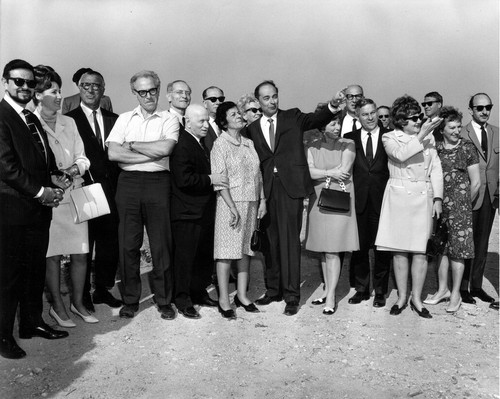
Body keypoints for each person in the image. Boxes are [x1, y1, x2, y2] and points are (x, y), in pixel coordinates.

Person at [247, 80, 344, 316]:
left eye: (274, 96)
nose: (272, 101)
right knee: (270, 243)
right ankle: (273, 290)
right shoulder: (252, 128)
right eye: (266, 98)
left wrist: (332, 105)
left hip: (291, 188)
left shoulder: (293, 117)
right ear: (258, 101)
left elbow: (316, 120)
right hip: (266, 191)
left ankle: (292, 296)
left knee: (290, 242)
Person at [0, 59, 67, 359]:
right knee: (9, 275)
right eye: (19, 82)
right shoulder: (1, 116)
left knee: (34, 270)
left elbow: (43, 156)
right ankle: (3, 337)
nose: (25, 87)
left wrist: (55, 176)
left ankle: (31, 323)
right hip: (11, 211)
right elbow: (6, 166)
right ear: (5, 82)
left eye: (30, 83)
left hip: (38, 211)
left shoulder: (32, 117)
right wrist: (42, 192)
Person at [107, 70, 179, 320]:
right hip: (128, 184)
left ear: (159, 90)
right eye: (142, 91)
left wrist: (133, 145)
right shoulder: (124, 119)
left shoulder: (169, 119)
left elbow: (166, 148)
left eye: (152, 90)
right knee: (128, 244)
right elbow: (114, 154)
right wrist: (152, 153)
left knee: (161, 245)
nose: (148, 96)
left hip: (158, 183)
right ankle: (130, 300)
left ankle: (164, 300)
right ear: (134, 93)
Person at [33, 65, 96, 326]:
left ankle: (78, 302)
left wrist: (71, 170)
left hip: (75, 195)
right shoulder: (29, 121)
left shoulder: (69, 122)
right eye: (52, 91)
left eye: (59, 91)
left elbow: (83, 157)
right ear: (37, 94)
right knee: (53, 255)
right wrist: (50, 178)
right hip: (49, 200)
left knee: (81, 253)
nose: (59, 96)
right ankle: (57, 306)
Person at [375, 95, 443, 319]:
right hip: (399, 197)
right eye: (414, 118)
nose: (419, 121)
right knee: (400, 251)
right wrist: (422, 134)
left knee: (421, 251)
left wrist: (438, 199)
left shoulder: (429, 138)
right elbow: (401, 155)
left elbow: (436, 169)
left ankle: (417, 298)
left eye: (420, 117)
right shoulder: (389, 138)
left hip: (423, 198)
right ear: (401, 120)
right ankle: (402, 297)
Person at [66, 70, 122, 312]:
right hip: (84, 191)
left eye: (96, 85)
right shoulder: (69, 120)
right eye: (85, 85)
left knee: (109, 241)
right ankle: (82, 294)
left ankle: (102, 289)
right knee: (84, 244)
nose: (90, 89)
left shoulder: (115, 118)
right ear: (79, 88)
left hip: (113, 190)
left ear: (103, 88)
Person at [170, 104, 227, 319]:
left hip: (201, 211)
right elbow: (183, 179)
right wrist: (210, 179)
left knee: (202, 256)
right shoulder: (182, 144)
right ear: (187, 122)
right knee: (185, 259)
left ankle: (198, 292)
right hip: (186, 213)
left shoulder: (199, 142)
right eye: (201, 121)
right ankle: (183, 299)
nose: (206, 125)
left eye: (206, 120)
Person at [211, 101, 266, 319]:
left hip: (251, 203)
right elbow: (220, 180)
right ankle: (224, 300)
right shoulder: (219, 145)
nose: (239, 117)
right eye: (233, 114)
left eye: (239, 113)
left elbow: (258, 175)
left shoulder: (249, 143)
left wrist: (262, 200)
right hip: (229, 205)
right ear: (224, 121)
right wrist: (232, 207)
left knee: (245, 251)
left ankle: (242, 296)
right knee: (225, 253)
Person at [424, 106, 480, 313]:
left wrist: (462, 205)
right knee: (442, 251)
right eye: (452, 127)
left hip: (460, 209)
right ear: (442, 129)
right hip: (439, 208)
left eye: (458, 127)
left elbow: (475, 183)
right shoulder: (436, 148)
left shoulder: (467, 148)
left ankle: (455, 293)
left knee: (458, 252)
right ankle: (442, 290)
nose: (457, 131)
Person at [305, 111, 358, 315]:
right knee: (323, 250)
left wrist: (321, 173)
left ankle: (331, 296)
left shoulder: (348, 144)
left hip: (339, 198)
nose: (337, 127)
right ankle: (329, 290)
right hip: (318, 199)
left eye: (338, 123)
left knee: (333, 250)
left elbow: (344, 170)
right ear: (322, 126)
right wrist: (329, 172)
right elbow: (308, 172)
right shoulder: (311, 146)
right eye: (333, 124)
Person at [345, 99, 391, 308]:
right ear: (358, 117)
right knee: (360, 248)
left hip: (384, 200)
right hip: (359, 200)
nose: (371, 117)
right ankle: (362, 289)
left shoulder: (389, 136)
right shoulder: (349, 139)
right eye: (365, 114)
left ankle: (381, 291)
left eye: (373, 113)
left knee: (382, 248)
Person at [460, 93, 499, 304]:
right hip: (468, 195)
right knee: (466, 242)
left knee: (482, 243)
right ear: (471, 110)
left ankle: (476, 287)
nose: (484, 111)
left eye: (488, 107)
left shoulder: (497, 133)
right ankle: (462, 287)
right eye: (479, 108)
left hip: (489, 197)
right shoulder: (462, 134)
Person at [202, 86, 225, 151]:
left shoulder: (229, 123)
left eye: (221, 99)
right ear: (205, 103)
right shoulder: (200, 125)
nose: (218, 102)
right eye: (213, 99)